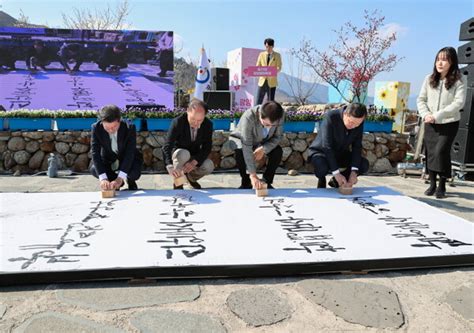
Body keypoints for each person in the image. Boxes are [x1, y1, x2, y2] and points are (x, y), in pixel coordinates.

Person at [417, 47, 467, 199]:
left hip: (448, 123)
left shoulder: (459, 79)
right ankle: (432, 184)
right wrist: (426, 115)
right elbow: (421, 99)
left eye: (444, 59)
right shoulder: (429, 79)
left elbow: (459, 103)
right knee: (431, 152)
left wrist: (437, 115)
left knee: (441, 151)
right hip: (430, 122)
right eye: (438, 59)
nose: (440, 62)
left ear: (452, 62)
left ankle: (442, 184)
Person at [308, 103, 369, 189]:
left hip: (341, 153)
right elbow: (327, 146)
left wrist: (354, 172)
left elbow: (357, 146)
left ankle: (336, 181)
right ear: (345, 114)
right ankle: (322, 179)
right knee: (321, 167)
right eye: (351, 122)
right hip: (321, 152)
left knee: (363, 164)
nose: (354, 126)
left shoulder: (358, 122)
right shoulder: (331, 116)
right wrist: (336, 173)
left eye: (357, 124)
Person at [229, 101, 284, 190]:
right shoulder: (249, 116)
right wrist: (253, 174)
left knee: (277, 151)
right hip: (242, 140)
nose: (269, 127)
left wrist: (264, 149)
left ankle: (267, 182)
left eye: (273, 125)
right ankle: (246, 183)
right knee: (240, 151)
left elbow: (278, 136)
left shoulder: (280, 115)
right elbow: (246, 144)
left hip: (264, 141)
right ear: (259, 115)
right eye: (266, 124)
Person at [162, 98, 214, 189]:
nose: (196, 123)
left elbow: (207, 147)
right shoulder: (178, 122)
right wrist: (169, 166)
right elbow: (167, 145)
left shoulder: (208, 124)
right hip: (180, 155)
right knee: (184, 153)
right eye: (193, 119)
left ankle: (191, 178)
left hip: (195, 155)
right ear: (187, 111)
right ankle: (178, 181)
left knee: (209, 165)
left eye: (200, 120)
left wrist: (194, 162)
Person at [90, 105, 142, 191]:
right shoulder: (96, 128)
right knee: (94, 169)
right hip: (108, 158)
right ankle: (114, 181)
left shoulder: (129, 127)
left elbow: (130, 153)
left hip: (125, 157)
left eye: (114, 127)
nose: (111, 130)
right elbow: (95, 153)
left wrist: (120, 177)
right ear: (102, 122)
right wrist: (103, 178)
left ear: (119, 121)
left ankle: (129, 180)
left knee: (134, 173)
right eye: (107, 128)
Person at [256, 38, 282, 105]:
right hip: (262, 81)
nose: (268, 48)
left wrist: (271, 72)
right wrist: (263, 72)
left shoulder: (277, 55)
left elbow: (279, 67)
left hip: (272, 82)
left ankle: (269, 115)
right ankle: (256, 114)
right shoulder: (261, 54)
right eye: (267, 46)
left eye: (270, 47)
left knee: (270, 103)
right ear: (265, 46)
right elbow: (257, 66)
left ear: (273, 46)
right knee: (258, 101)